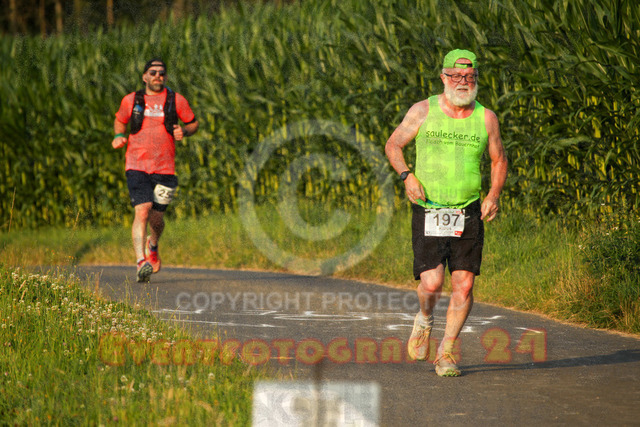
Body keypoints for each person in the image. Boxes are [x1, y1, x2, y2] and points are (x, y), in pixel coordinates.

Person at [385, 49, 508, 376]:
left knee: (463, 285)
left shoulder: (486, 118)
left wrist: (493, 194)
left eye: (470, 76)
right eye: (456, 76)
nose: (463, 82)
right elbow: (393, 145)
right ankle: (425, 320)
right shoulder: (423, 110)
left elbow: (499, 159)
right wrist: (407, 176)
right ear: (443, 77)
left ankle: (447, 352)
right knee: (432, 283)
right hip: (429, 208)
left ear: (476, 78)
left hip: (468, 210)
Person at [112, 58, 199, 283]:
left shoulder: (176, 100)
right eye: (153, 72)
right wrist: (119, 136)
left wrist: (184, 131)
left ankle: (153, 245)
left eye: (161, 73)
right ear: (144, 77)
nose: (157, 76)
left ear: (166, 77)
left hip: (165, 167)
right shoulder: (132, 100)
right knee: (142, 210)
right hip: (136, 165)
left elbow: (192, 123)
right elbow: (120, 120)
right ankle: (141, 262)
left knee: (157, 219)